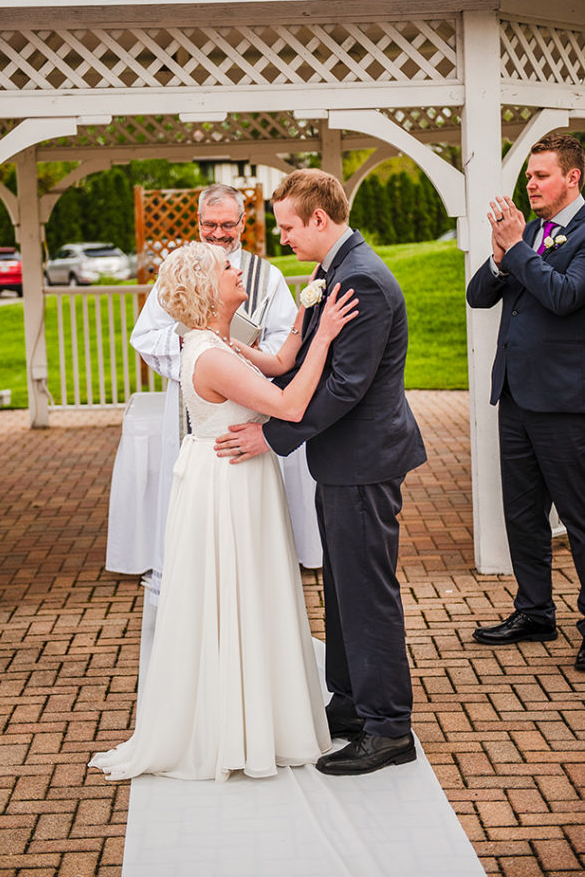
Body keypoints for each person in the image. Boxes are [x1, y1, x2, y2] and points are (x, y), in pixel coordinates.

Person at [89, 241, 358, 782]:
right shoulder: (210, 354)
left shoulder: (216, 341)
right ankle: (236, 727)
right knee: (236, 591)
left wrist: (305, 318)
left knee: (245, 592)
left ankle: (253, 714)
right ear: (209, 288)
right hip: (227, 484)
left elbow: (281, 363)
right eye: (227, 267)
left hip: (234, 478)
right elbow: (289, 404)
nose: (238, 268)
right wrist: (327, 337)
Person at [215, 168, 427, 776]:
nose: (280, 237)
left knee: (367, 593)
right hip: (342, 460)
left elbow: (347, 386)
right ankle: (352, 703)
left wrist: (271, 434)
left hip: (364, 460)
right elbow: (308, 360)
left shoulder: (361, 279)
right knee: (341, 587)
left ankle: (389, 729)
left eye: (286, 226)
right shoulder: (333, 272)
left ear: (318, 219)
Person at [120, 183, 298, 596]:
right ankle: (193, 570)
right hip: (197, 395)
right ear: (198, 223)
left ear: (242, 223)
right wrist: (195, 346)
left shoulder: (265, 276)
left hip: (250, 397)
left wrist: (244, 356)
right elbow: (145, 336)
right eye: (209, 224)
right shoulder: (180, 268)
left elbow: (283, 339)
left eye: (227, 225)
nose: (218, 233)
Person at [466, 133, 585, 671]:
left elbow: (563, 297)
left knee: (579, 517)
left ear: (572, 178)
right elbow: (480, 296)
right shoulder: (530, 231)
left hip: (566, 401)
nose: (530, 185)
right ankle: (534, 609)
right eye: (529, 176)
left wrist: (516, 251)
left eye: (541, 175)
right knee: (522, 513)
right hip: (514, 394)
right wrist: (499, 258)